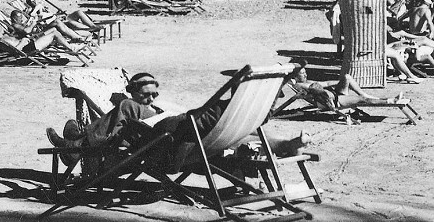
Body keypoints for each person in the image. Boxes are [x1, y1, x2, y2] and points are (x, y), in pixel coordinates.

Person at [47, 73, 311, 167]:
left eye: (154, 94)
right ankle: (79, 140)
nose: (150, 99)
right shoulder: (240, 116)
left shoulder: (209, 115)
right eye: (146, 95)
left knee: (126, 107)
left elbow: (178, 124)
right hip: (200, 143)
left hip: (169, 142)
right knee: (127, 109)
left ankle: (77, 146)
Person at [289, 60, 403, 112]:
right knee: (362, 100)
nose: (305, 74)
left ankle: (365, 93)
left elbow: (326, 84)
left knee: (347, 77)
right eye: (302, 73)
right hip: (331, 101)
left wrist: (339, 83)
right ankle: (391, 101)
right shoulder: (300, 85)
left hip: (333, 95)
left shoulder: (307, 81)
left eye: (305, 72)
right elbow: (319, 87)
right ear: (295, 76)